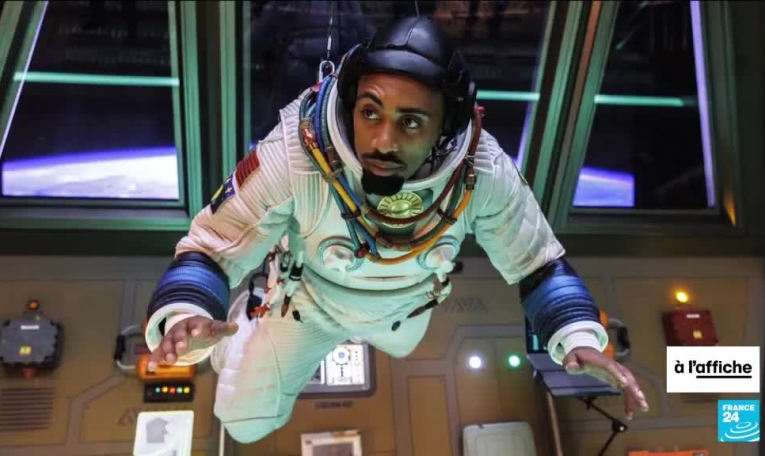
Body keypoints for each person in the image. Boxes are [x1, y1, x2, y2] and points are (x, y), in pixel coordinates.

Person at [144, 17, 649, 443]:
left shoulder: (482, 169)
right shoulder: (298, 152)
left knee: (394, 345)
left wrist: (575, 335)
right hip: (308, 305)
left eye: (410, 122)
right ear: (350, 104)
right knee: (245, 421)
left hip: (404, 313)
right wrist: (189, 314)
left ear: (446, 127)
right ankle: (242, 325)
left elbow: (538, 266)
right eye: (370, 112)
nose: (383, 141)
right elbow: (211, 248)